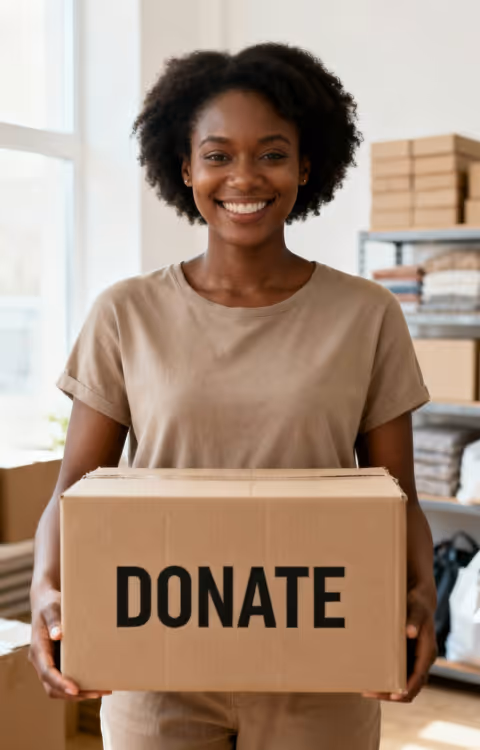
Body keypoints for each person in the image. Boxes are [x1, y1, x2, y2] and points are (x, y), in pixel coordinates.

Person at [29, 42, 438, 750]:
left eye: (272, 153)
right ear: (183, 167)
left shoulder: (367, 314)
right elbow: (74, 489)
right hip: (157, 665)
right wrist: (44, 593)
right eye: (217, 155)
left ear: (307, 166)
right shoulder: (125, 313)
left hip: (321, 667)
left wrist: (421, 603)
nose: (243, 176)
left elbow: (396, 496)